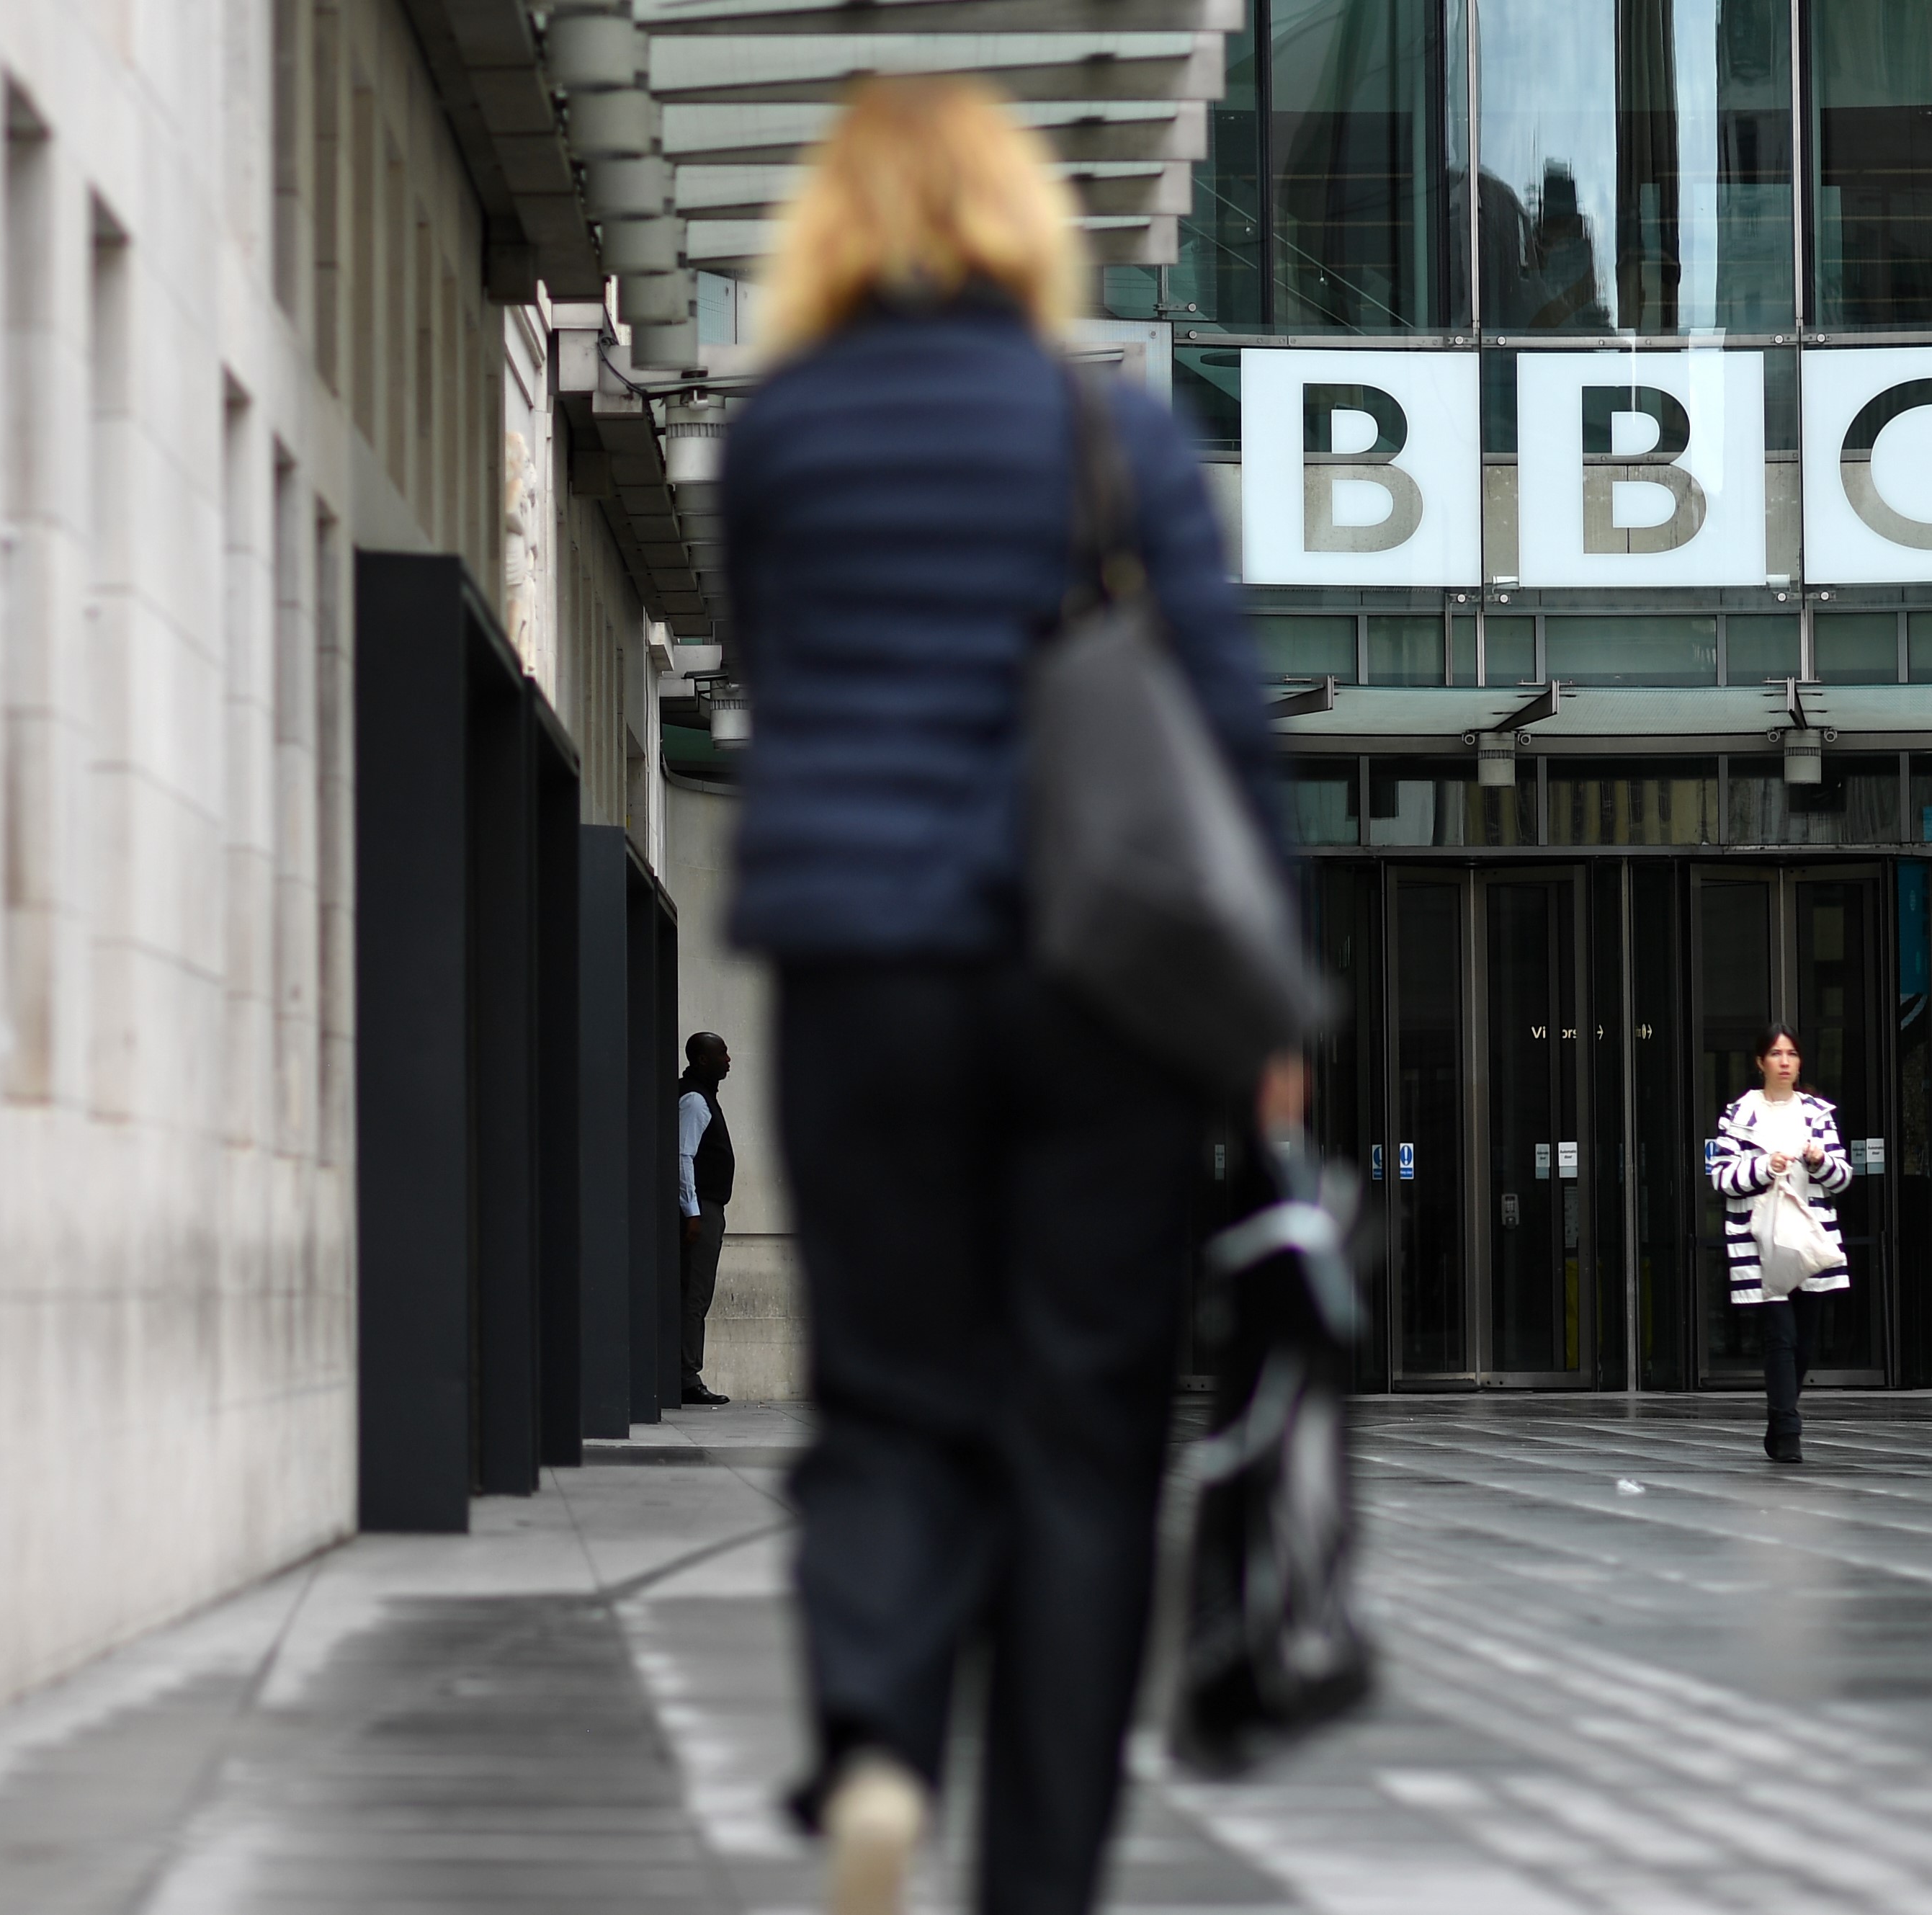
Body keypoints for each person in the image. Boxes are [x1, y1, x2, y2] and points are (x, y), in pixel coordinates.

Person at [720, 75, 1289, 1915]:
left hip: (861, 971)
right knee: (1082, 1422)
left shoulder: (781, 435)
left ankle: (880, 1731)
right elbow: (1218, 724)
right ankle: (1039, 1878)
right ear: (1019, 223)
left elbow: (778, 672)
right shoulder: (1112, 431)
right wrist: (1269, 1012)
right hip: (1092, 991)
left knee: (889, 1397)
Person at [1709, 1025, 1856, 1465]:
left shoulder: (1818, 1114)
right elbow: (1720, 1177)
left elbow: (1842, 1178)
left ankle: (1779, 1422)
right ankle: (1789, 1428)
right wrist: (1761, 1167)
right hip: (1759, 1238)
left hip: (1809, 1237)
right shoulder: (1738, 1115)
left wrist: (1819, 1160)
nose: (1785, 1062)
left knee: (1804, 1343)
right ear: (1761, 1062)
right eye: (1776, 1054)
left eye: (1791, 1053)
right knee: (1781, 1338)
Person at [676, 1031, 735, 1409]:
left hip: (707, 1209)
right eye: (722, 1053)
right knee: (694, 1295)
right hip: (702, 1210)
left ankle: (684, 1373)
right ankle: (686, 1377)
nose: (728, 1059)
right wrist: (693, 1212)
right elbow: (682, 1157)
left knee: (696, 1294)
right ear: (702, 1060)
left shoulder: (702, 1095)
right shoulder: (696, 1099)